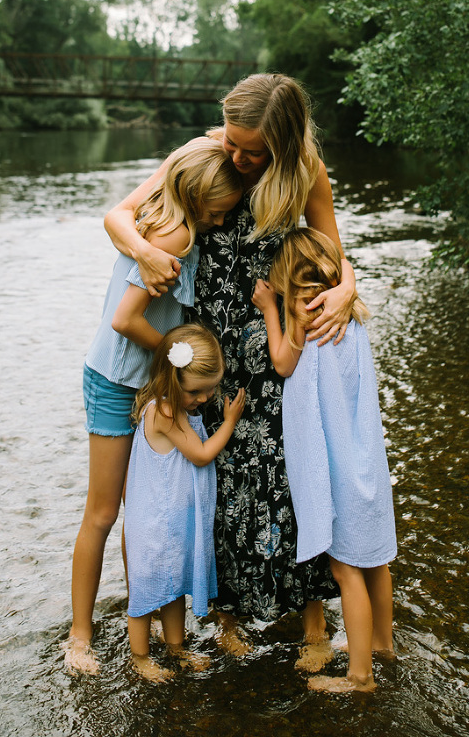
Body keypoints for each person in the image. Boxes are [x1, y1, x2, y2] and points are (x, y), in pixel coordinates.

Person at [104, 74, 358, 664]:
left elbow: (334, 256)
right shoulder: (208, 154)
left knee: (287, 472)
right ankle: (226, 620)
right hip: (207, 345)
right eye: (234, 143)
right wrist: (143, 251)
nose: (238, 157)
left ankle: (314, 624)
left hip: (273, 335)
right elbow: (120, 216)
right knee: (216, 480)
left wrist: (345, 289)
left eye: (252, 151)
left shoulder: (305, 172)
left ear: (286, 143)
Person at [63, 138, 243, 675]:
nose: (219, 221)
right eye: (218, 212)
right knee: (103, 511)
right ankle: (79, 636)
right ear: (197, 196)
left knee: (142, 515)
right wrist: (179, 357)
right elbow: (124, 320)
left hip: (144, 385)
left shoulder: (164, 207)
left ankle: (141, 619)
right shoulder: (176, 232)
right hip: (118, 381)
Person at [253, 227, 397, 693]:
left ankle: (359, 676)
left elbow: (282, 363)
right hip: (364, 458)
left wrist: (270, 311)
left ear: (289, 282)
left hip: (333, 466)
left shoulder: (303, 312)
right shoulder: (346, 310)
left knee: (345, 568)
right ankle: (381, 645)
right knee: (376, 560)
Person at [125, 323, 245, 681]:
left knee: (173, 586)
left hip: (170, 521)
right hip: (155, 525)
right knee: (145, 596)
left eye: (210, 390)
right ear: (171, 378)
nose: (205, 399)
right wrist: (230, 422)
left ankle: (176, 650)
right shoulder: (163, 413)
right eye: (197, 391)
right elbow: (202, 454)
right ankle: (141, 658)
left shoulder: (175, 408)